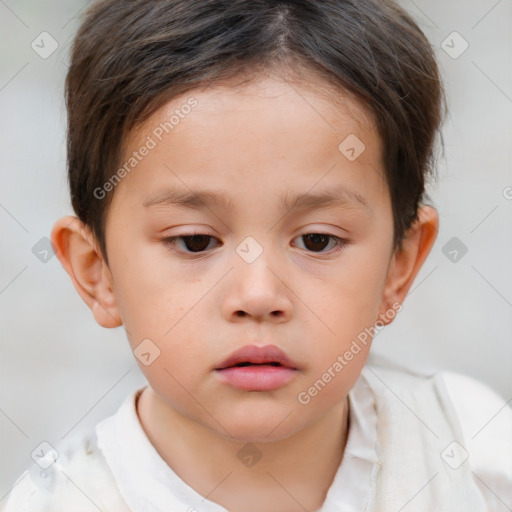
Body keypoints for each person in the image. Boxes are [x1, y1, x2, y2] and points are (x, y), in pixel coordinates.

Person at [2, 0, 511, 511]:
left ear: (399, 266)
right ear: (98, 274)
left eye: (317, 240)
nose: (259, 295)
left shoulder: (474, 455)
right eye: (195, 241)